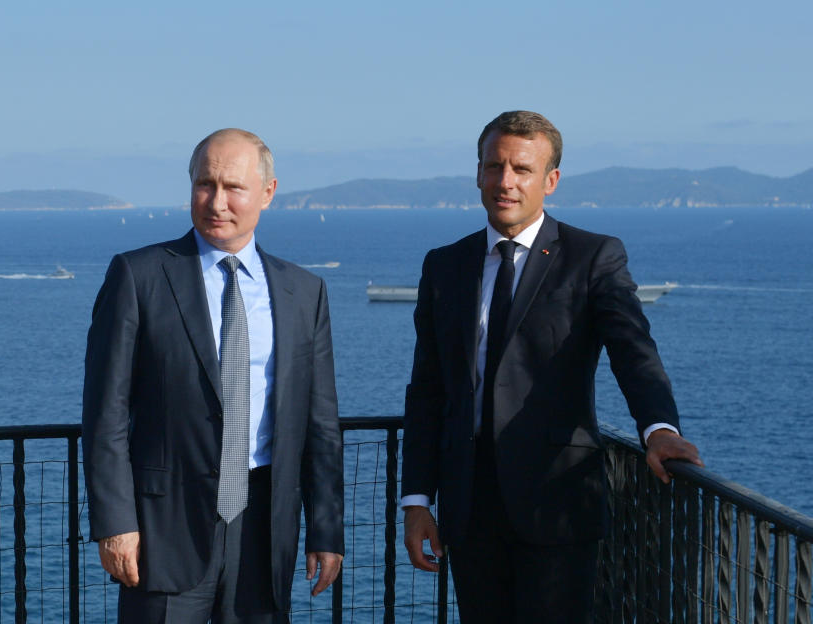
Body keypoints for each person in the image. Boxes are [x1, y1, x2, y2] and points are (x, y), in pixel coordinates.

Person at [400, 111, 703, 623]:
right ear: (478, 173)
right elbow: (429, 390)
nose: (506, 182)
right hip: (469, 510)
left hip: (558, 505)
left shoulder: (593, 257)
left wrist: (659, 428)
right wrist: (415, 500)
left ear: (550, 180)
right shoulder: (444, 265)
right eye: (494, 166)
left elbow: (632, 349)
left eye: (521, 169)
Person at [82, 128, 344, 623]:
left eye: (233, 187)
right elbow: (105, 412)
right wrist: (115, 524)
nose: (216, 201)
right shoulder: (138, 277)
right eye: (205, 184)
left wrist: (326, 531)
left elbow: (321, 424)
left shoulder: (304, 292)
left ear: (267, 193)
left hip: (266, 532)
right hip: (162, 531)